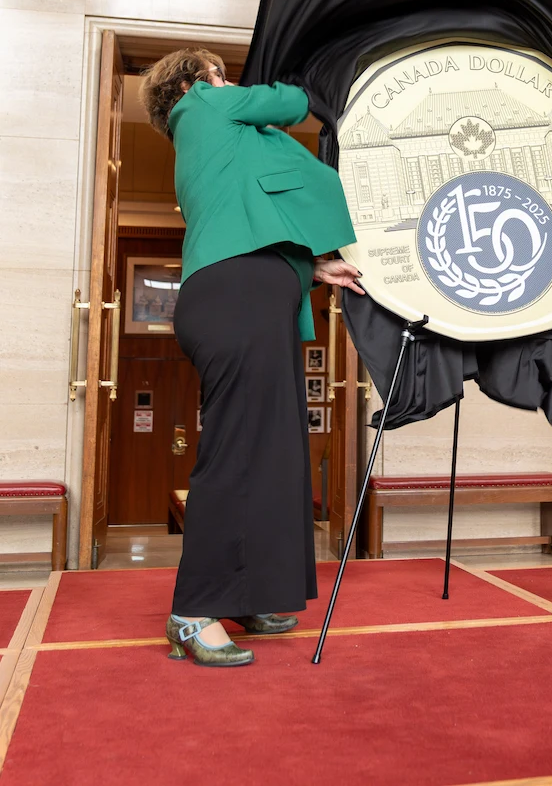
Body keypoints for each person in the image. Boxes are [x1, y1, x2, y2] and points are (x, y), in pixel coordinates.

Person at [140, 48, 364, 667]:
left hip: (250, 296)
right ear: (192, 82)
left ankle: (248, 591)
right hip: (235, 300)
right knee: (238, 452)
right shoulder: (203, 104)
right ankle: (193, 611)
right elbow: (292, 101)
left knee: (272, 452)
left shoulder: (223, 142)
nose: (229, 81)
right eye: (220, 73)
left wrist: (314, 266)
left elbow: (259, 221)